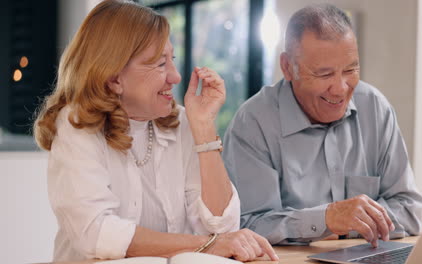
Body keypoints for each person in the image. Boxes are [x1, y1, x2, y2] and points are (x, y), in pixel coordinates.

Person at [33, 0, 278, 262]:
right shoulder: (75, 124)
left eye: (171, 60)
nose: (175, 77)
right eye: (160, 64)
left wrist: (204, 127)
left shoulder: (182, 121)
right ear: (115, 78)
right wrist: (206, 245)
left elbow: (222, 227)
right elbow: (97, 234)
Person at [222, 4, 422, 248]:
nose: (340, 88)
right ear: (287, 67)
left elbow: (410, 211)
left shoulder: (375, 108)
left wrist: (345, 227)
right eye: (324, 74)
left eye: (351, 69)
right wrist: (325, 219)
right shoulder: (253, 123)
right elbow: (247, 225)